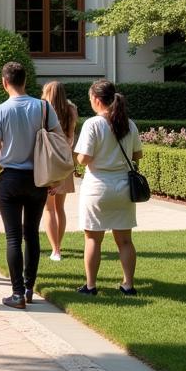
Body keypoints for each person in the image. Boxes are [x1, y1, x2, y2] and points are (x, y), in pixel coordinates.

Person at [0, 62, 59, 309]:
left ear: (5, 82)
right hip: (38, 177)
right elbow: (58, 140)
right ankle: (29, 288)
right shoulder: (43, 107)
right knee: (32, 234)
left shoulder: (0, 110)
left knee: (13, 236)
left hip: (10, 177)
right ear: (25, 80)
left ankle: (17, 293)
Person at [75, 80, 141, 296]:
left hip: (98, 186)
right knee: (125, 240)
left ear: (96, 99)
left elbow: (84, 159)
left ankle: (91, 285)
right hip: (123, 186)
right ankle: (128, 284)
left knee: (93, 238)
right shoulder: (129, 123)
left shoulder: (93, 124)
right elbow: (137, 154)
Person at [41, 81, 79, 261]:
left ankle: (54, 249)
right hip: (65, 162)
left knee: (49, 209)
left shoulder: (43, 109)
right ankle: (59, 246)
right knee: (60, 208)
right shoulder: (71, 110)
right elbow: (71, 137)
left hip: (47, 163)